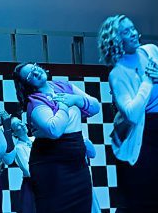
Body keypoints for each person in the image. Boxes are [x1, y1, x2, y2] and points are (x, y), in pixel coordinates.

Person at [97, 14, 158, 213]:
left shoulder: (151, 51)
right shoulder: (117, 73)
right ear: (116, 40)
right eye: (126, 31)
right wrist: (147, 81)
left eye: (133, 28)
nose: (135, 34)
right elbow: (132, 114)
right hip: (137, 140)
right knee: (142, 202)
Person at [12, 62, 100, 213]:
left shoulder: (64, 86)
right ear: (27, 83)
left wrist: (76, 100)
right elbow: (54, 130)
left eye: (35, 68)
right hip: (51, 163)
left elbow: (95, 106)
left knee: (83, 206)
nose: (36, 72)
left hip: (77, 161)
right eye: (30, 75)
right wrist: (64, 104)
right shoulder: (34, 101)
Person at [10, 115, 35, 213]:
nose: (22, 124)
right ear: (14, 133)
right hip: (31, 184)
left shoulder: (36, 138)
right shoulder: (19, 148)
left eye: (20, 121)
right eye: (17, 125)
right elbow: (28, 170)